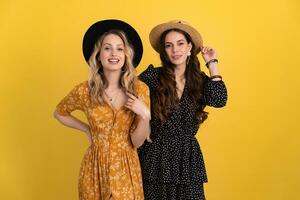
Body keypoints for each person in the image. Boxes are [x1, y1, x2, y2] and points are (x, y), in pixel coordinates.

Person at [53, 19, 150, 200]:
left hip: (126, 169)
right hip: (94, 169)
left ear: (126, 55)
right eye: (107, 48)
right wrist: (86, 128)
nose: (114, 53)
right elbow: (59, 112)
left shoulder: (139, 89)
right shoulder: (84, 90)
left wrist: (145, 115)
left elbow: (136, 142)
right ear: (98, 55)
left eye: (120, 48)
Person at [138, 20, 228, 199]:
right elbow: (128, 99)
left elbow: (219, 100)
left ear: (189, 48)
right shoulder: (152, 76)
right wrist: (144, 120)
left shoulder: (200, 81)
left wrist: (212, 63)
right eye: (168, 46)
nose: (175, 50)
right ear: (164, 51)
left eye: (180, 44)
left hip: (187, 158)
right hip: (156, 156)